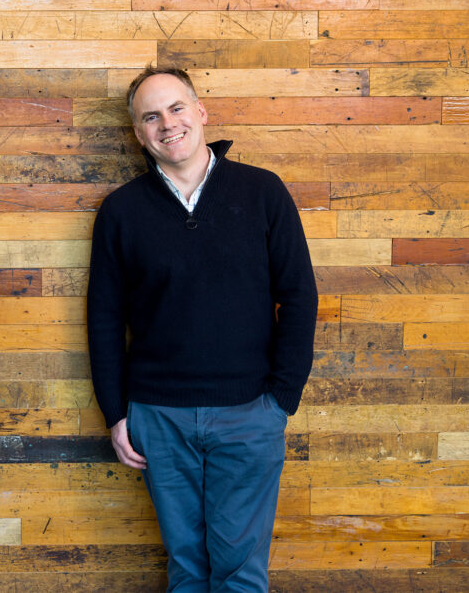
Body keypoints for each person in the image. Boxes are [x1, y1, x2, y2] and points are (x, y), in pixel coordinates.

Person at [87, 66, 317, 592]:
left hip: (250, 412)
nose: (167, 124)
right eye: (151, 116)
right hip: (158, 419)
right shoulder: (121, 211)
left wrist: (281, 398)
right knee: (187, 569)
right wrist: (116, 413)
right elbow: (103, 319)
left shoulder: (261, 192)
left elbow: (299, 297)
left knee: (240, 574)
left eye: (176, 108)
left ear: (200, 112)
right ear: (139, 133)